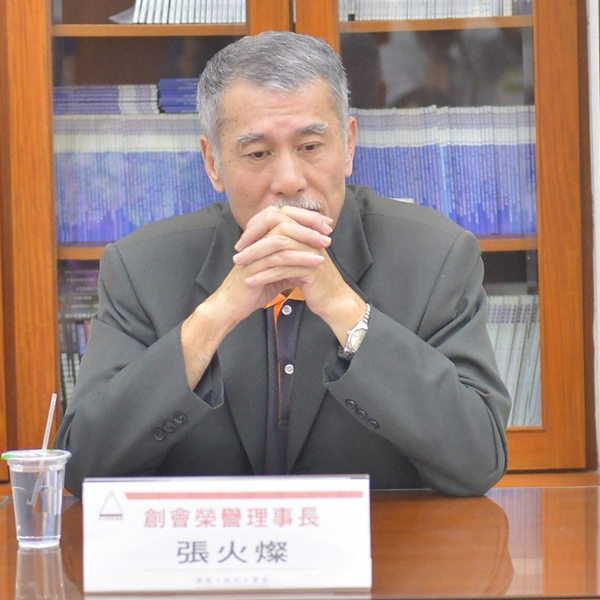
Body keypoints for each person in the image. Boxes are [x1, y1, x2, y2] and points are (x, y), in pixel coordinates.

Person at [55, 31, 511, 499]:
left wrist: (347, 312)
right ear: (212, 162)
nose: (289, 181)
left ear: (349, 145)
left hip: (384, 545)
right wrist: (215, 317)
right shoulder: (141, 267)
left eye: (311, 147)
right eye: (258, 154)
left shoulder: (434, 256)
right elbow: (84, 466)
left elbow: (478, 461)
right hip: (207, 543)